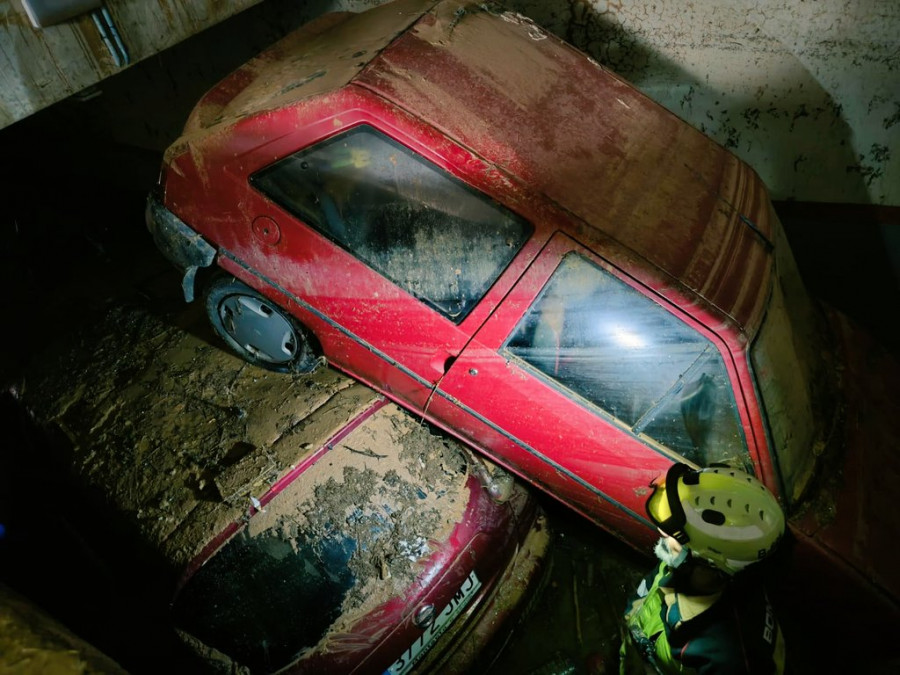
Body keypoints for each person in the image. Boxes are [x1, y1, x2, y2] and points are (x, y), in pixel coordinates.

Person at [620, 463, 787, 674]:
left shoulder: (729, 658)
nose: (663, 532)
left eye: (677, 535)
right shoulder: (685, 566)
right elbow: (646, 595)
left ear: (706, 563)